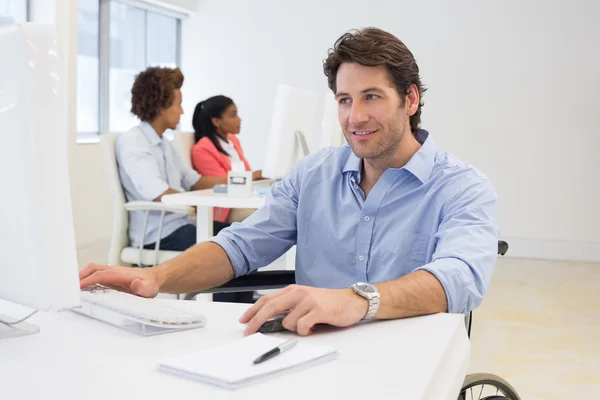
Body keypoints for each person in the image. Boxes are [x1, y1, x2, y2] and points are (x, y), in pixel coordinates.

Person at [81, 28, 499, 336]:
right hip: (310, 354)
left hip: (405, 361)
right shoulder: (314, 175)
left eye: (371, 96)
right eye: (344, 100)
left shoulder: (462, 187)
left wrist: (356, 301)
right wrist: (156, 277)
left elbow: (459, 277)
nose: (355, 117)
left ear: (410, 100)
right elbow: (241, 245)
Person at [117, 66, 228, 253]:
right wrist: (196, 204)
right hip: (158, 235)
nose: (182, 111)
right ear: (161, 107)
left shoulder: (165, 144)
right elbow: (160, 194)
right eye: (178, 104)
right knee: (229, 249)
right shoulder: (134, 142)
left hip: (182, 224)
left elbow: (195, 182)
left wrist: (245, 181)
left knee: (239, 237)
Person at [191, 95, 262, 224]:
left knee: (274, 211)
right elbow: (221, 185)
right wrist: (251, 177)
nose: (239, 120)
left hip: (242, 200)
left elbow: (245, 173)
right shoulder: (202, 148)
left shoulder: (233, 141)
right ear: (216, 121)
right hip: (224, 209)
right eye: (233, 115)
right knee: (261, 218)